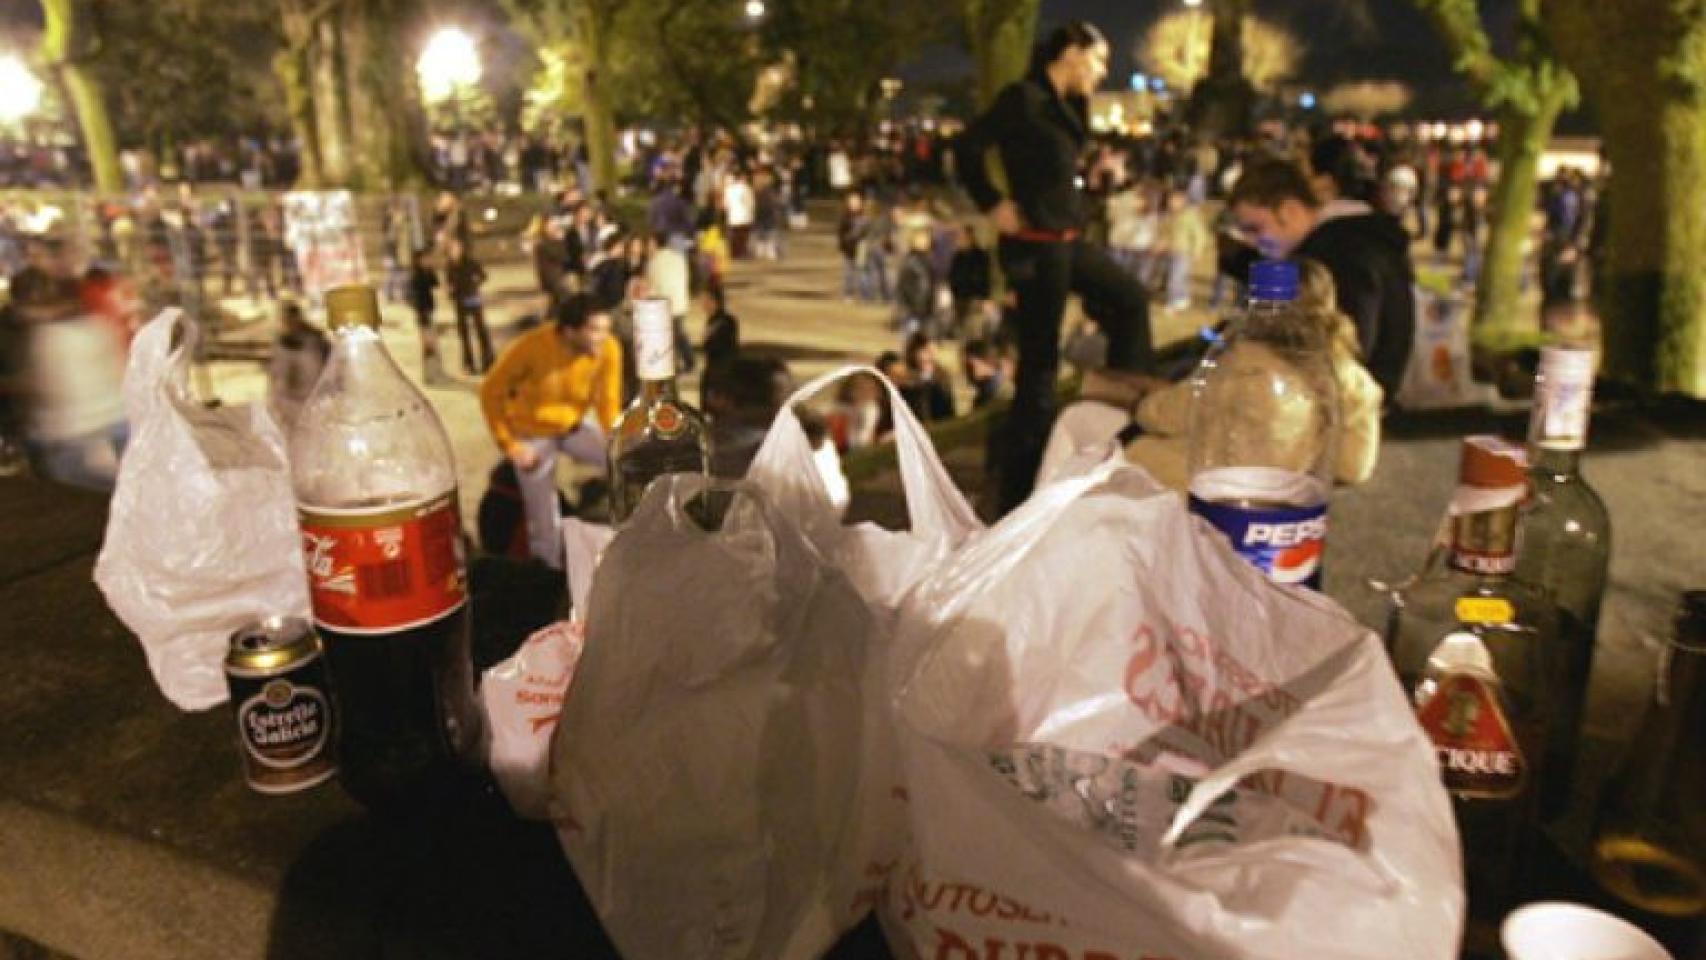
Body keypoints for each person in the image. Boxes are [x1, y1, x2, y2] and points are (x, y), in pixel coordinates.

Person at [954, 20, 1155, 514]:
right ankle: (1020, 491)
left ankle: (1127, 416)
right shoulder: (1021, 98)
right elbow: (966, 147)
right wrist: (993, 203)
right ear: (1071, 52)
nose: (1104, 71)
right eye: (1100, 59)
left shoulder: (1070, 105)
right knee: (1039, 369)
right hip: (1035, 248)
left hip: (1067, 241)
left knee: (1131, 300)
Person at [1119, 259, 1382, 491]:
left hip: (1188, 491)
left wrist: (1143, 403)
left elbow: (1163, 415)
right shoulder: (1355, 381)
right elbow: (1354, 467)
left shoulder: (1242, 364)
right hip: (1278, 504)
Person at [1222, 155, 1415, 401]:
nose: (1253, 242)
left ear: (1289, 210)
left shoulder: (1343, 253)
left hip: (1342, 413)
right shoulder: (1345, 242)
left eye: (1255, 229)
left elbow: (1348, 351)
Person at [479, 293, 623, 569]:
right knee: (543, 514)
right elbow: (490, 392)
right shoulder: (532, 347)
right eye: (595, 330)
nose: (603, 337)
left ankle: (630, 534)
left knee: (625, 460)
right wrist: (510, 446)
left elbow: (609, 402)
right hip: (530, 432)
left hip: (572, 426)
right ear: (570, 331)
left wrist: (616, 439)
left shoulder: (609, 349)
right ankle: (550, 572)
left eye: (606, 329)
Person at [267, 299, 330, 431]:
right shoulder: (281, 344)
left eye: (291, 319)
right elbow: (277, 378)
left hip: (315, 400)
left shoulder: (316, 341)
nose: (289, 323)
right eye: (285, 320)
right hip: (290, 404)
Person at [444, 239, 494, 375]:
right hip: (459, 302)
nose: (453, 252)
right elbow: (449, 282)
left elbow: (483, 276)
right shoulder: (450, 265)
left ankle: (488, 361)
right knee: (464, 334)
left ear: (460, 249)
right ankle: (469, 364)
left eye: (455, 249)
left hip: (472, 298)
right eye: (451, 250)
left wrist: (474, 284)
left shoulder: (469, 262)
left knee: (481, 330)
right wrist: (450, 291)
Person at [947, 224, 993, 339]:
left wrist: (984, 297)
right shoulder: (957, 257)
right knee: (960, 331)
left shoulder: (981, 256)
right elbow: (952, 276)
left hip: (975, 299)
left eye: (962, 237)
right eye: (958, 238)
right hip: (959, 300)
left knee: (974, 330)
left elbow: (985, 277)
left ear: (970, 237)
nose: (959, 241)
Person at [899, 332, 955, 423]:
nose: (930, 355)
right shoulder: (905, 379)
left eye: (931, 351)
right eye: (925, 351)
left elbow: (949, 410)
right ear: (914, 353)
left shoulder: (942, 376)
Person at [407, 247, 444, 381]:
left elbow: (436, 284)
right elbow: (411, 298)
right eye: (425, 258)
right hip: (423, 314)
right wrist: (420, 312)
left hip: (429, 311)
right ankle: (429, 375)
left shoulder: (426, 273)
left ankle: (436, 371)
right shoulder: (415, 277)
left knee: (434, 343)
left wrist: (431, 269)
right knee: (428, 345)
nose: (428, 260)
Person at [894, 230, 938, 341]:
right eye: (922, 239)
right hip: (912, 311)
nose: (925, 242)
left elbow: (930, 286)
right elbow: (902, 287)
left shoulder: (928, 261)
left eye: (926, 239)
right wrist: (905, 308)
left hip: (925, 311)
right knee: (911, 342)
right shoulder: (910, 262)